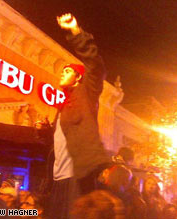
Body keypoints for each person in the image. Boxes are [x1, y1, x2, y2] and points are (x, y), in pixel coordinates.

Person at [49, 13, 111, 218]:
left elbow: (95, 65)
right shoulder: (64, 106)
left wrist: (76, 31)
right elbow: (60, 143)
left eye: (67, 71)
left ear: (78, 78)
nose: (61, 73)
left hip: (77, 178)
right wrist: (43, 133)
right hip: (58, 179)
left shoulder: (87, 92)